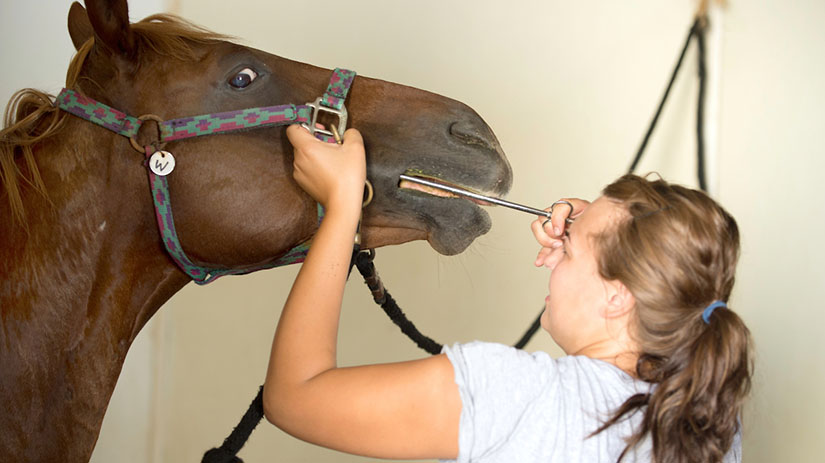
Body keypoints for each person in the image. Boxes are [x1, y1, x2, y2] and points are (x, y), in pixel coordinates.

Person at [262, 124, 753, 463]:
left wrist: (342, 205)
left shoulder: (517, 395)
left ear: (619, 297)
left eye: (571, 250)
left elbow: (294, 397)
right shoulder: (708, 426)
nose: (551, 253)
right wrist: (600, 229)